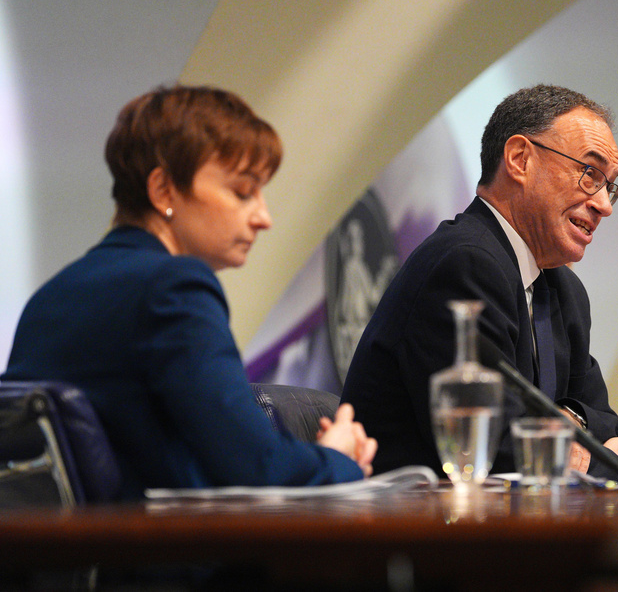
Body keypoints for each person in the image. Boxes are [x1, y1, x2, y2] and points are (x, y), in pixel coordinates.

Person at [4, 85, 377, 500]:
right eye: (242, 192)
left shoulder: (49, 298)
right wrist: (340, 458)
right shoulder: (174, 288)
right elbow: (257, 468)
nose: (264, 218)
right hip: (161, 558)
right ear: (164, 191)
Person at [341, 84, 618, 478]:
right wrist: (575, 449)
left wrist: (575, 423)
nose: (604, 205)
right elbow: (491, 448)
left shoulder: (564, 290)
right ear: (519, 159)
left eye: (609, 184)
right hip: (417, 528)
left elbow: (612, 429)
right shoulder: (463, 264)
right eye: (589, 174)